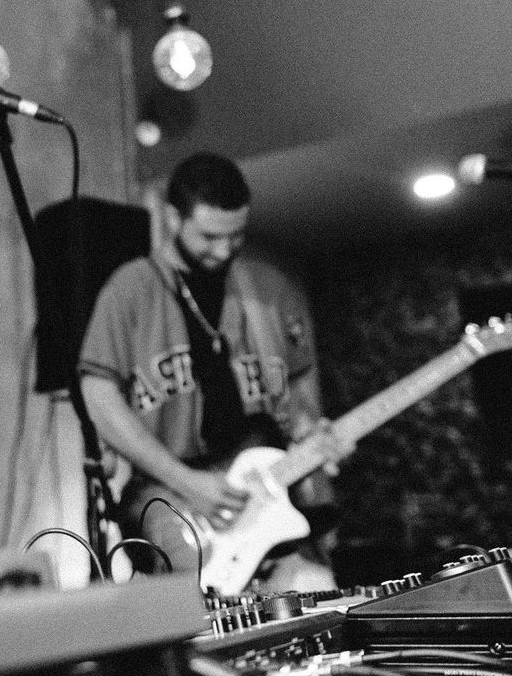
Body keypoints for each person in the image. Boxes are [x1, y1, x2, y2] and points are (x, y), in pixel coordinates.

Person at [77, 152, 339, 592]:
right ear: (171, 215)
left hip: (272, 500)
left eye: (236, 236)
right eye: (209, 236)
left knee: (317, 599)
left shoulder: (271, 289)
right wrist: (187, 482)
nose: (223, 250)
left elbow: (299, 382)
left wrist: (311, 426)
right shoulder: (131, 289)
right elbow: (97, 394)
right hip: (172, 498)